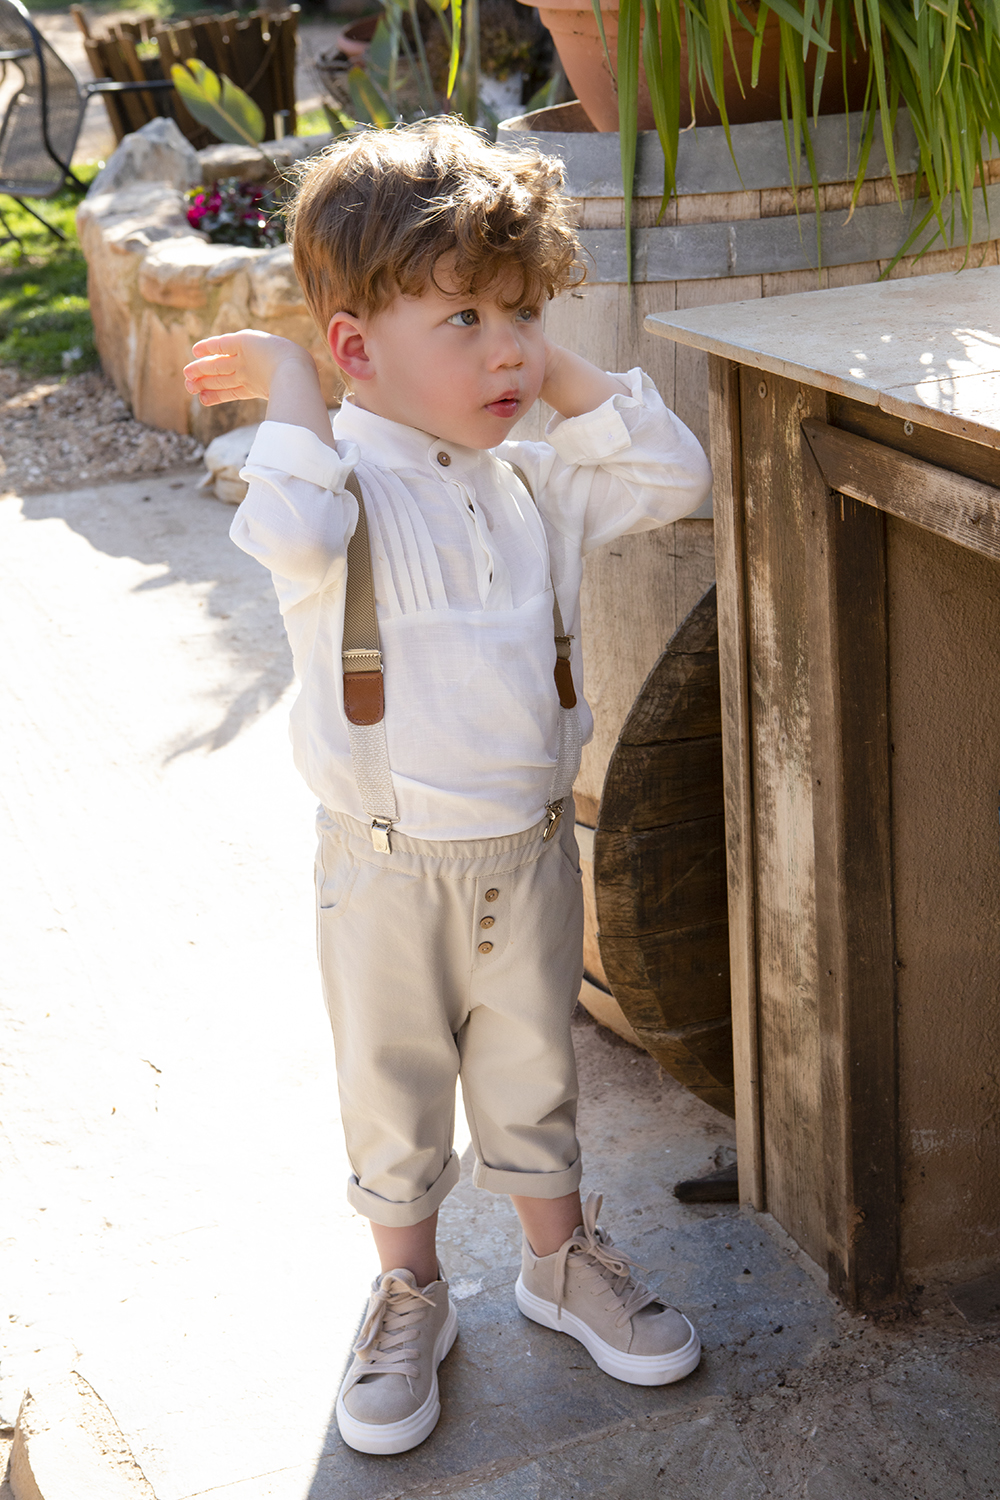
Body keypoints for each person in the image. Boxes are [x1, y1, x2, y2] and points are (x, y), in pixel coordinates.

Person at [183, 116, 713, 1458]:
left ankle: (557, 1259)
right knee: (395, 1085)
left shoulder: (536, 477)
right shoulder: (333, 481)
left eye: (523, 313)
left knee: (535, 1070)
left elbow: (676, 474)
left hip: (526, 852)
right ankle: (409, 1289)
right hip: (383, 864)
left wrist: (553, 365)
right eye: (466, 318)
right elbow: (284, 528)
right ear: (357, 349)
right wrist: (293, 389)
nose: (507, 350)